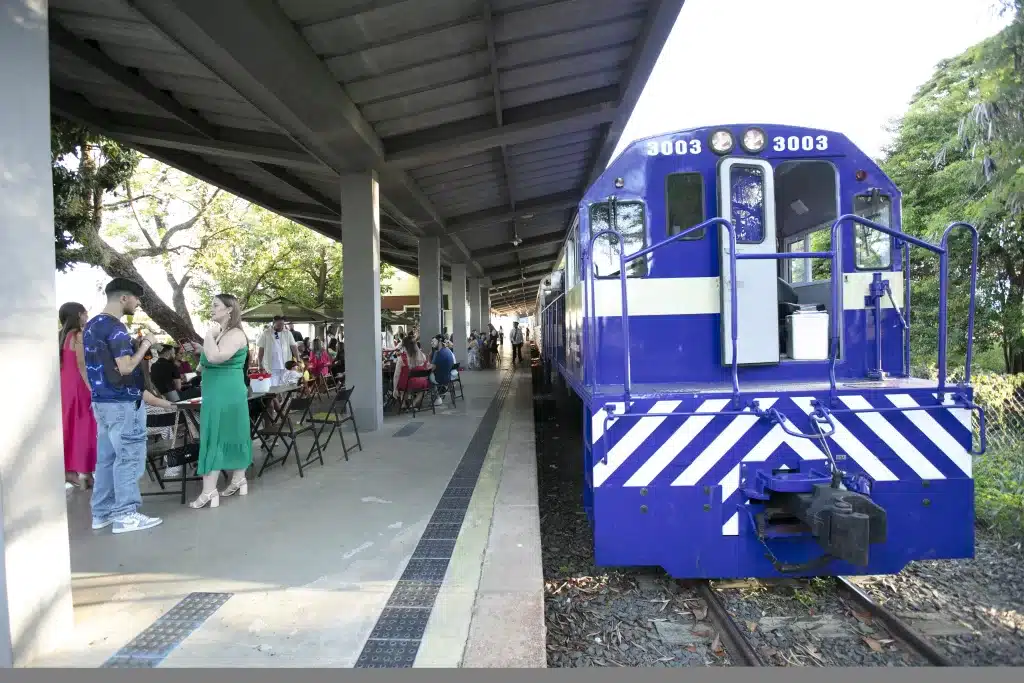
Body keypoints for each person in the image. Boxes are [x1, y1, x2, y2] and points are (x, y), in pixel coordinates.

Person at [83, 278, 163, 534]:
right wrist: (147, 345)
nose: (138, 304)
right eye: (137, 299)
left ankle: (102, 513)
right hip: (122, 402)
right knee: (128, 458)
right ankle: (126, 514)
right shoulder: (116, 328)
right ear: (124, 298)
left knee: (106, 460)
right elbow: (126, 367)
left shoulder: (92, 325)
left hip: (102, 402)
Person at [189, 293, 252, 510]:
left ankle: (209, 491)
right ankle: (238, 479)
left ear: (229, 310)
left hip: (223, 391)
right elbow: (206, 362)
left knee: (215, 434)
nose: (212, 308)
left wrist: (208, 335)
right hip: (221, 389)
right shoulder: (224, 333)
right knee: (232, 431)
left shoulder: (233, 333)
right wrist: (202, 348)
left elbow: (216, 358)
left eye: (216, 305)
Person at [59, 301, 97, 490]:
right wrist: (92, 388)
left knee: (71, 427)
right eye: (85, 313)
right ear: (79, 314)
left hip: (65, 386)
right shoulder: (78, 335)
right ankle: (84, 473)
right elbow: (82, 365)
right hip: (79, 386)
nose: (87, 316)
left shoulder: (62, 336)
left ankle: (73, 471)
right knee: (85, 428)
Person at [257, 315, 300, 386]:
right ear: (274, 323)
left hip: (286, 364)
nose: (281, 326)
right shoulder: (266, 333)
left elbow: (294, 347)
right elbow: (261, 350)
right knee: (273, 387)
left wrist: (298, 359)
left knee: (285, 385)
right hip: (271, 366)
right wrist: (260, 364)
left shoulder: (288, 333)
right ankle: (276, 397)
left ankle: (283, 397)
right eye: (279, 324)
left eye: (282, 324)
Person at [393, 334, 430, 409]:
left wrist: (395, 388)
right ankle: (414, 403)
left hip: (408, 384)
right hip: (422, 383)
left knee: (402, 383)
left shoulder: (402, 359)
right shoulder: (423, 356)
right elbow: (427, 367)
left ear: (405, 346)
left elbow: (396, 375)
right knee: (422, 388)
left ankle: (403, 404)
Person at [429, 335, 457, 405]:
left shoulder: (438, 353)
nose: (432, 343)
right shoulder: (448, 351)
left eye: (434, 341)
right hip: (448, 378)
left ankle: (437, 398)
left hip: (441, 379)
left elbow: (432, 368)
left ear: (440, 342)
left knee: (427, 377)